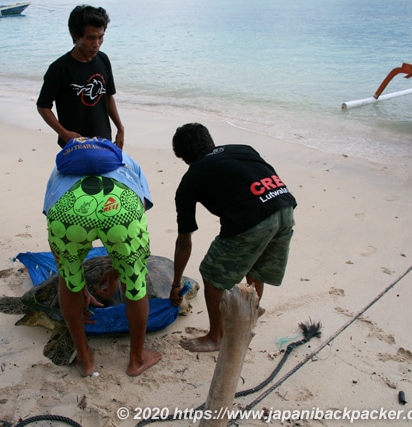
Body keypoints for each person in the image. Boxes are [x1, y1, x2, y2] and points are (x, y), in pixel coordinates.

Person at [169, 123, 297, 352]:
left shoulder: (190, 180)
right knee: (256, 268)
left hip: (252, 220)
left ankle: (216, 337)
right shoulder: (242, 149)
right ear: (211, 142)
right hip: (284, 207)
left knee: (212, 274)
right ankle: (247, 320)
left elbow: (184, 241)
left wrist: (176, 282)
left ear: (183, 158)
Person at [43, 137, 160, 376]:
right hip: (121, 205)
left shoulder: (59, 169)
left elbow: (51, 222)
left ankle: (85, 360)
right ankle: (136, 359)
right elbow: (133, 244)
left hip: (68, 209)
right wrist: (120, 273)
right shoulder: (128, 162)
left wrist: (77, 283)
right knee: (136, 283)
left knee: (69, 281)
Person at [36, 5, 125, 149]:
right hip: (74, 144)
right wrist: (64, 133)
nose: (96, 44)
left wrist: (120, 128)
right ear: (75, 35)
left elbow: (108, 96)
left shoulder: (103, 60)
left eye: (100, 37)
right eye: (90, 38)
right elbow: (43, 106)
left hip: (103, 140)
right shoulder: (59, 68)